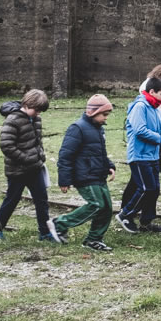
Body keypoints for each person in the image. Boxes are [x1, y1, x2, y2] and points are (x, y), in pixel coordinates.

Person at [117, 77, 161, 234]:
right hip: (140, 157)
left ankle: (146, 222)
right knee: (146, 188)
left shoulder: (154, 109)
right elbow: (139, 129)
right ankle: (125, 214)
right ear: (152, 92)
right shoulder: (140, 107)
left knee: (154, 190)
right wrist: (158, 138)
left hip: (153, 156)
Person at [50, 94, 117, 251]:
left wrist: (109, 166)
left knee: (107, 208)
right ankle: (59, 224)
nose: (106, 118)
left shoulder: (98, 129)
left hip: (98, 175)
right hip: (84, 176)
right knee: (96, 205)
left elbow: (100, 152)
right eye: (104, 114)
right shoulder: (77, 128)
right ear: (93, 112)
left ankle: (93, 240)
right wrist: (64, 180)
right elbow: (65, 155)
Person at [0, 89, 53, 241]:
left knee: (42, 200)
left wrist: (40, 156)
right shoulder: (13, 119)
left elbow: (37, 141)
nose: (38, 113)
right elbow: (7, 146)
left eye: (40, 111)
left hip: (35, 168)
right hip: (17, 170)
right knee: (12, 199)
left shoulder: (36, 119)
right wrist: (25, 158)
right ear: (26, 105)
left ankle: (45, 233)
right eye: (36, 110)